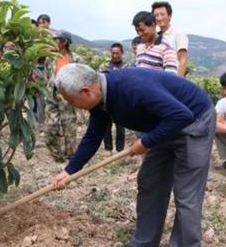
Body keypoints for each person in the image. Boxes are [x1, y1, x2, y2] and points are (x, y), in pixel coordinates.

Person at [52, 63, 216, 247]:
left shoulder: (132, 87)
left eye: (71, 100)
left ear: (86, 91)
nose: (70, 105)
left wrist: (146, 142)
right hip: (163, 124)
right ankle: (144, 242)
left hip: (193, 120)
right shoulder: (100, 101)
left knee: (186, 194)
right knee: (149, 183)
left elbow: (181, 115)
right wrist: (70, 170)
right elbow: (93, 135)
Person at [45, 30, 83, 161]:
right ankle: (57, 155)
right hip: (51, 95)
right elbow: (47, 74)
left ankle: (70, 155)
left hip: (68, 95)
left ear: (64, 42)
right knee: (50, 126)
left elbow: (82, 76)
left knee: (69, 127)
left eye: (56, 39)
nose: (54, 42)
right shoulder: (50, 57)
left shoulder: (76, 59)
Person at [152, 1, 189, 77]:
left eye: (162, 14)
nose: (159, 18)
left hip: (173, 78)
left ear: (169, 15)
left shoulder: (178, 34)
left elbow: (182, 60)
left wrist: (178, 81)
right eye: (156, 15)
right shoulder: (155, 36)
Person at [103, 43, 126, 151]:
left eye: (117, 53)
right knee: (106, 125)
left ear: (122, 53)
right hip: (107, 100)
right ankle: (108, 148)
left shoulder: (127, 67)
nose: (115, 55)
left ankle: (120, 149)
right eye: (113, 53)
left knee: (120, 126)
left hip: (121, 101)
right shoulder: (104, 66)